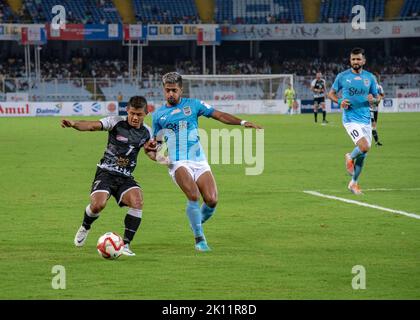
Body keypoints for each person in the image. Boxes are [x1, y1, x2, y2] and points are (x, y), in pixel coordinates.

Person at [151, 72, 262, 252]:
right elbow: (155, 143)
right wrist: (157, 154)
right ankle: (199, 239)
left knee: (211, 200)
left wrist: (242, 122)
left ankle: (195, 222)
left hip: (199, 160)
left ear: (181, 90)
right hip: (177, 162)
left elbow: (219, 115)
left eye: (174, 90)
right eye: (167, 90)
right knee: (193, 196)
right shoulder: (158, 115)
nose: (170, 94)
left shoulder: (194, 105)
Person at [61, 96, 163, 256]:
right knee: (98, 205)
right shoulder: (116, 122)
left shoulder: (148, 131)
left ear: (146, 113)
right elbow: (92, 126)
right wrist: (74, 124)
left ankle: (126, 245)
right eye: (132, 113)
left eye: (139, 114)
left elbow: (150, 151)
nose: (135, 117)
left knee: (137, 201)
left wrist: (157, 156)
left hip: (125, 177)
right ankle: (85, 226)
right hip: (106, 172)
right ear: (127, 111)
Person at [328, 47, 379, 195]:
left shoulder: (370, 78)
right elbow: (331, 94)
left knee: (363, 154)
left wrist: (373, 100)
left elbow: (377, 99)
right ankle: (349, 156)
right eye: (353, 59)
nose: (355, 61)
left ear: (363, 60)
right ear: (350, 60)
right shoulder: (342, 76)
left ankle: (353, 183)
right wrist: (340, 102)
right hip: (350, 119)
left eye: (358, 59)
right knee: (364, 147)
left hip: (365, 120)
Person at [371, 72, 385, 146]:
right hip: (369, 109)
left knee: (374, 126)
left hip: (375, 109)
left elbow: (382, 95)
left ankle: (376, 142)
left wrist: (379, 99)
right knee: (371, 125)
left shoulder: (379, 87)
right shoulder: (368, 86)